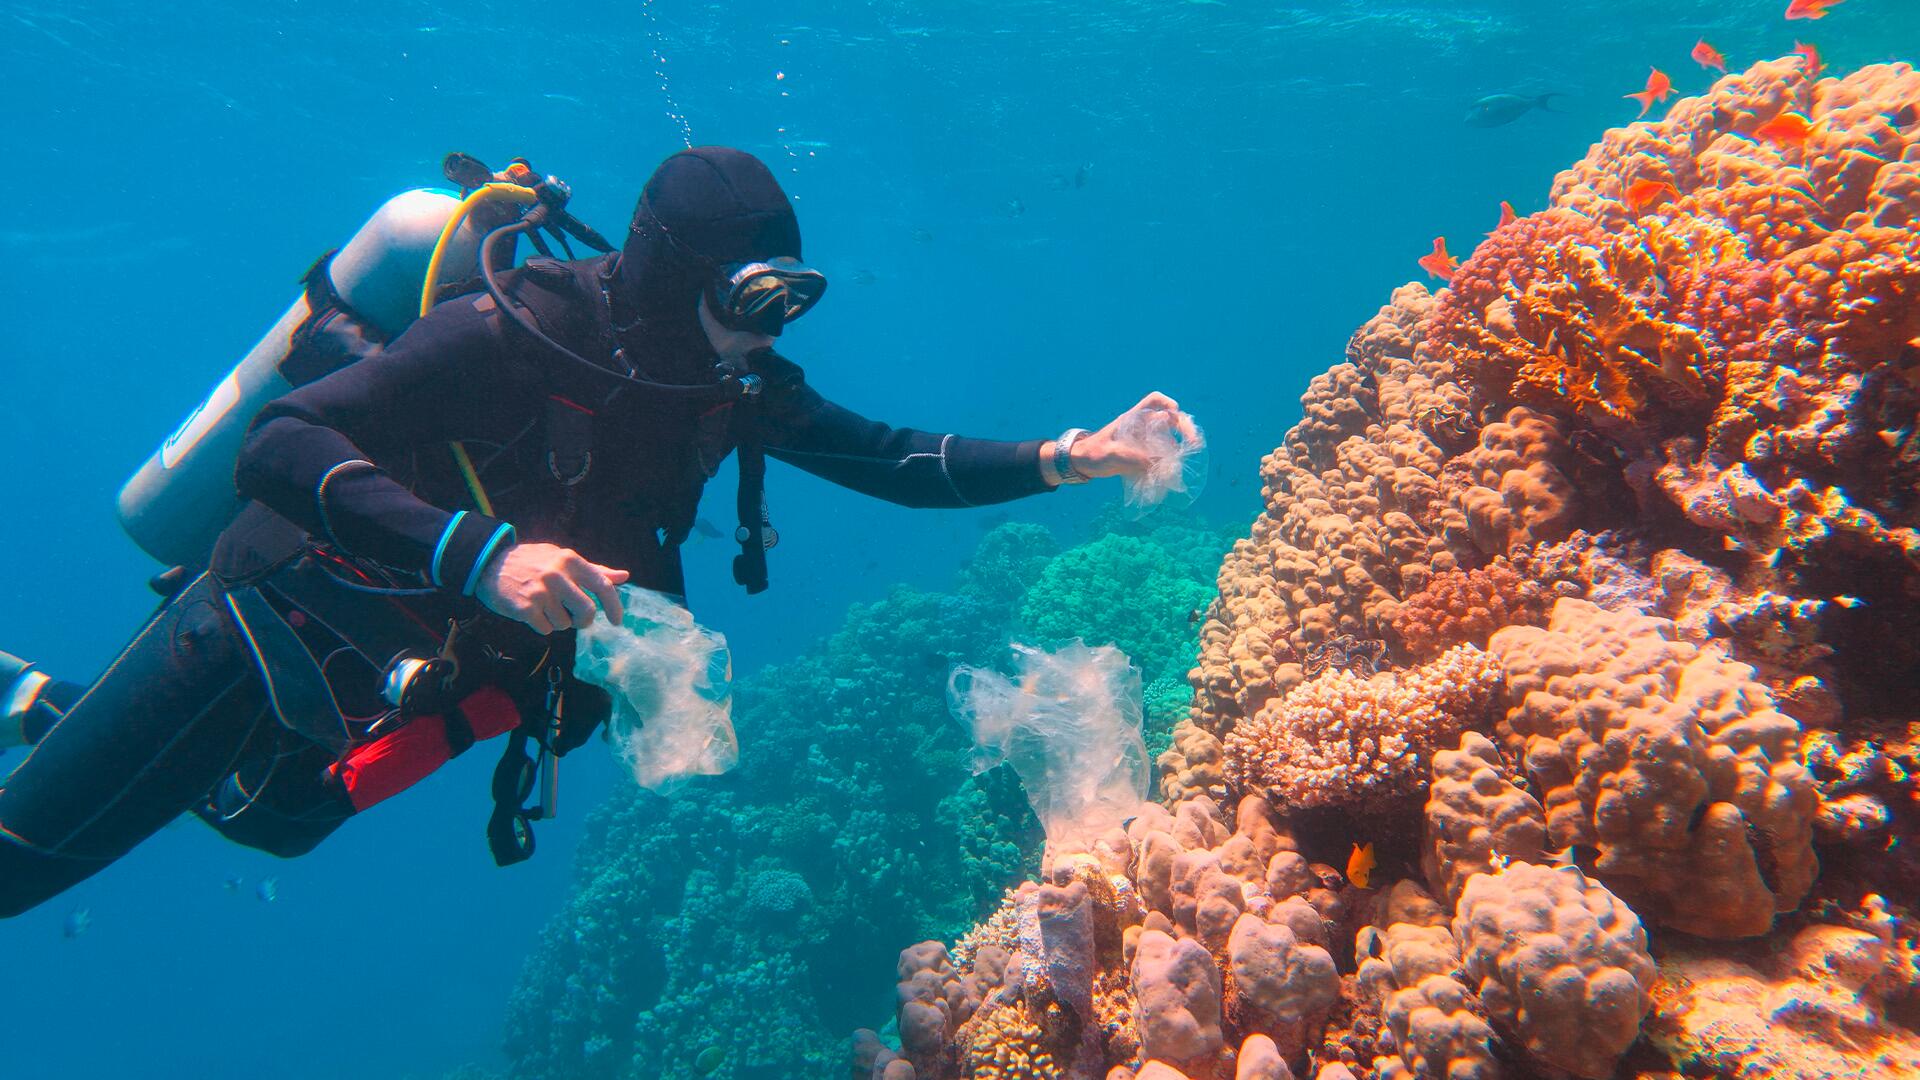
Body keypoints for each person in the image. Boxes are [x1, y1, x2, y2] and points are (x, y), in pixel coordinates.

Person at [0, 146, 1196, 917]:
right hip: (270, 630)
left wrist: (1064, 459)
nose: (771, 335)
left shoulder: (730, 382)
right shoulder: (509, 336)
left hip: (408, 670)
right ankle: (60, 723)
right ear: (681, 281)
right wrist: (482, 554)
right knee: (24, 867)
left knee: (276, 822)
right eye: (751, 301)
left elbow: (885, 458)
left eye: (792, 297)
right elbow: (280, 442)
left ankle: (47, 706)